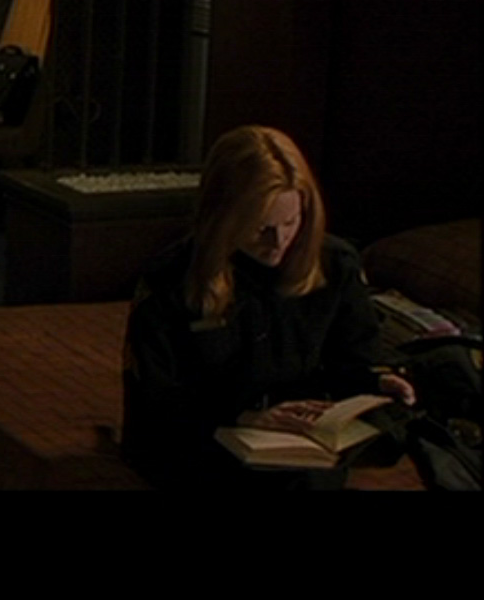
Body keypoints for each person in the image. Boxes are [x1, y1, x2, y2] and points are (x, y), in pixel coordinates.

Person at [121, 125, 417, 490]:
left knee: (310, 477)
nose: (279, 242)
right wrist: (244, 416)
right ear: (223, 217)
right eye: (260, 229)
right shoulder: (170, 280)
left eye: (291, 222)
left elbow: (353, 358)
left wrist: (376, 381)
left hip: (296, 439)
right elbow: (155, 402)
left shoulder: (336, 264)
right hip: (203, 436)